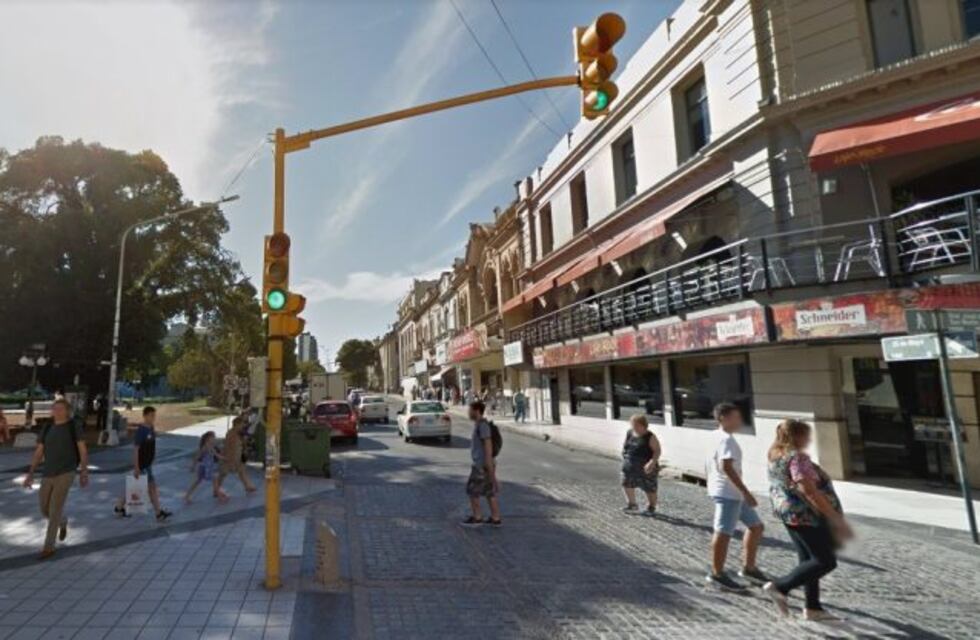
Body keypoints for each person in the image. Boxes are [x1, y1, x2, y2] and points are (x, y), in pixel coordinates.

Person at [763, 420, 853, 621]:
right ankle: (780, 587)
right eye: (806, 435)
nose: (809, 439)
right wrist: (834, 517)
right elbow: (808, 489)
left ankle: (813, 607)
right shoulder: (798, 458)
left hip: (789, 514)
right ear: (797, 436)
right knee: (825, 561)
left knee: (808, 560)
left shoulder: (775, 456)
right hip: (808, 515)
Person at [705, 402, 767, 591]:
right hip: (729, 493)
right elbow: (726, 467)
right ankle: (717, 574)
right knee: (723, 532)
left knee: (756, 527)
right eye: (736, 417)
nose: (739, 420)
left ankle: (749, 568)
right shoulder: (726, 440)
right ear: (723, 418)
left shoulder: (715, 436)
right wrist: (746, 492)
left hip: (728, 491)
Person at [22, 399, 89, 559]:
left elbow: (83, 450)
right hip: (47, 472)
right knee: (44, 508)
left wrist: (84, 471)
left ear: (67, 411)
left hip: (66, 472)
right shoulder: (47, 427)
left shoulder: (74, 426)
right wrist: (30, 473)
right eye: (55, 408)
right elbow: (39, 452)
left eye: (61, 409)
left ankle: (48, 547)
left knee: (54, 508)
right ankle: (62, 522)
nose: (57, 411)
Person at [115, 406, 171, 521]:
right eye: (151, 416)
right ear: (145, 416)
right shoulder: (141, 431)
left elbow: (151, 445)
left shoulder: (151, 428)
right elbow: (136, 449)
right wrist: (136, 467)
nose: (153, 418)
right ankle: (158, 513)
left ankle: (119, 507)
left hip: (147, 464)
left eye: (154, 416)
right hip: (142, 465)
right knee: (151, 488)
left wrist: (153, 458)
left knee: (137, 487)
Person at [460, 401, 502, 527]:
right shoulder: (479, 425)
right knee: (489, 492)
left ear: (477, 411)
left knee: (472, 490)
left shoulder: (482, 426)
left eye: (470, 410)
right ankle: (496, 518)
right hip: (485, 464)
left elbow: (488, 447)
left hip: (481, 466)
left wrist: (489, 467)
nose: (468, 412)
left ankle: (477, 517)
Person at [621, 414, 661, 516]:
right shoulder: (630, 433)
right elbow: (626, 446)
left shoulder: (650, 436)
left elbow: (657, 451)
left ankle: (651, 507)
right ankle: (632, 504)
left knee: (649, 487)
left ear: (643, 425)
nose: (634, 427)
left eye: (636, 425)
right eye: (632, 425)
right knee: (627, 484)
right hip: (630, 465)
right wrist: (624, 455)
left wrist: (652, 462)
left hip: (646, 466)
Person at [184, 431, 229, 504]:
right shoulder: (205, 447)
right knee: (214, 481)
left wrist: (224, 458)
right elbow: (197, 456)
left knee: (198, 481)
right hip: (205, 468)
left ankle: (187, 496)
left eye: (214, 437)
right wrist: (193, 466)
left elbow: (217, 455)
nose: (214, 439)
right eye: (213, 437)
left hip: (207, 467)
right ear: (208, 439)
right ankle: (220, 496)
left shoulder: (211, 446)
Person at [218, 416, 257, 495]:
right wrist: (229, 458)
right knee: (223, 473)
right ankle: (217, 488)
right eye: (242, 424)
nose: (243, 426)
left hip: (239, 455)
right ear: (236, 424)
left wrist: (245, 450)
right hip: (230, 457)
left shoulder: (239, 433)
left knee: (242, 471)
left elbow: (243, 443)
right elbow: (229, 447)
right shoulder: (231, 434)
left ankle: (247, 486)